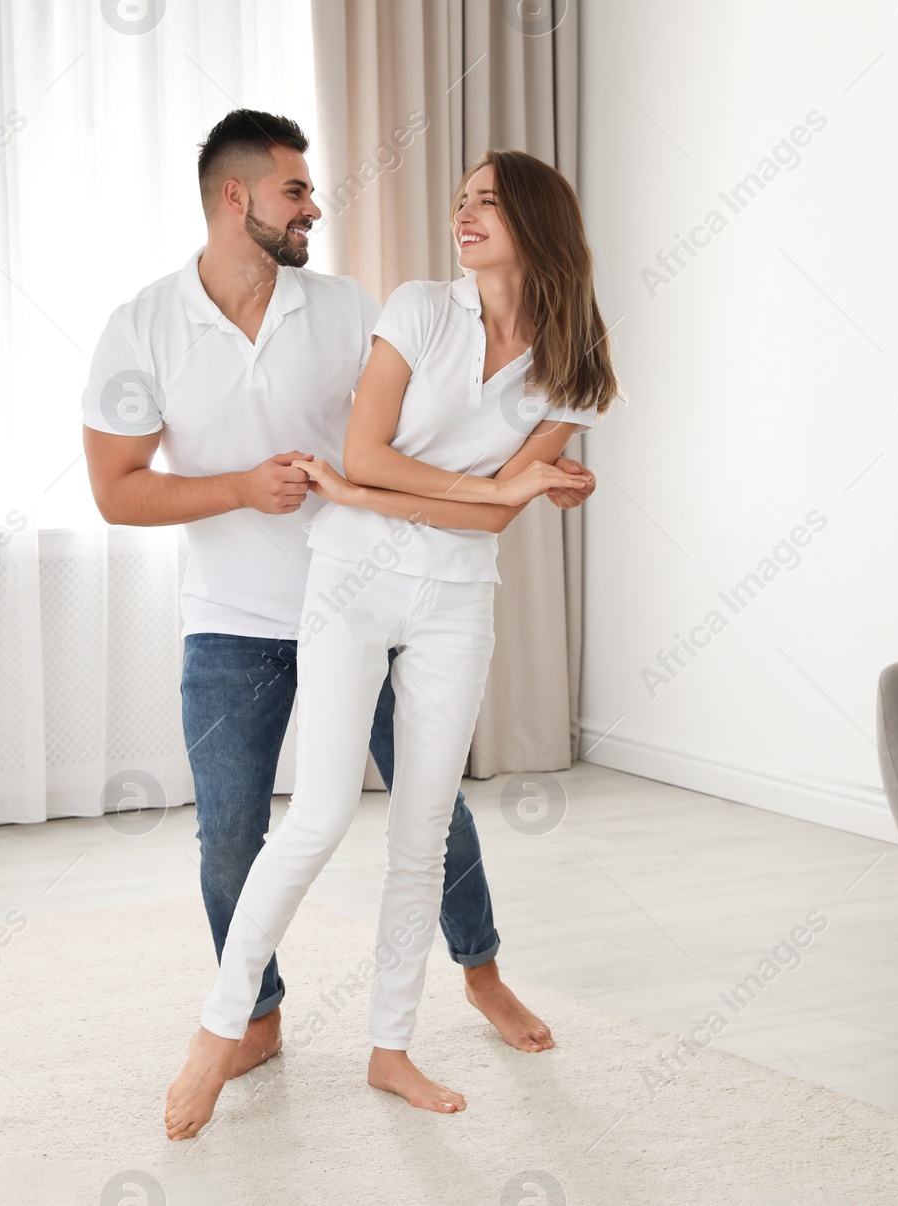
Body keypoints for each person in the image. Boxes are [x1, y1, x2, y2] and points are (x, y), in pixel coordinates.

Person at [81, 112, 594, 1104]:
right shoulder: (139, 327)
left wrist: (439, 493)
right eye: (296, 192)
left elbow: (409, 434)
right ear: (238, 199)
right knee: (236, 831)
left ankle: (477, 973)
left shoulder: (348, 305)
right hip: (236, 612)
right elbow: (115, 492)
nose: (315, 206)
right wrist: (241, 486)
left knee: (433, 815)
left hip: (383, 583)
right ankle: (253, 1019)